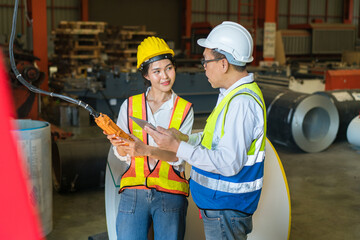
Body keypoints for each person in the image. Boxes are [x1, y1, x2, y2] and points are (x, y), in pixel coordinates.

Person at [140, 21, 267, 240]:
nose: (204, 66)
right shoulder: (230, 95)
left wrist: (178, 148)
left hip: (226, 209)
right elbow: (215, 139)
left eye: (206, 61)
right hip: (221, 206)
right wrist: (185, 138)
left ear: (224, 64)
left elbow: (228, 162)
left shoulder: (241, 103)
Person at [105, 36, 194, 240]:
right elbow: (121, 154)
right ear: (146, 75)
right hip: (134, 192)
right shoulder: (129, 106)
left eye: (169, 68)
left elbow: (178, 156)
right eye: (157, 71)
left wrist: (145, 150)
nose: (165, 76)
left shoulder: (185, 109)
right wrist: (118, 145)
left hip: (170, 193)